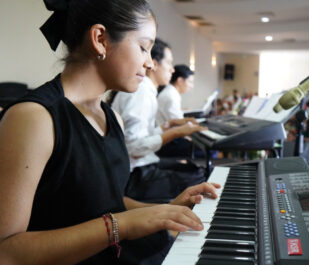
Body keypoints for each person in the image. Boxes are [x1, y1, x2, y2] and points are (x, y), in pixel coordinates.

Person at [0, 1, 219, 264]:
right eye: (143, 48)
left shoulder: (112, 117)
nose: (150, 63)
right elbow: (7, 250)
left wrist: (166, 210)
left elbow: (105, 201)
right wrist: (120, 225)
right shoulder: (34, 118)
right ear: (100, 39)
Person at [112, 38, 206, 202]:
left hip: (142, 164)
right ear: (154, 64)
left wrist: (168, 125)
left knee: (193, 169)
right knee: (197, 176)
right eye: (169, 63)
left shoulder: (147, 90)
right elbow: (134, 147)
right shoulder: (141, 91)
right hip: (131, 175)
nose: (172, 69)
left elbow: (143, 137)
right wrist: (175, 132)